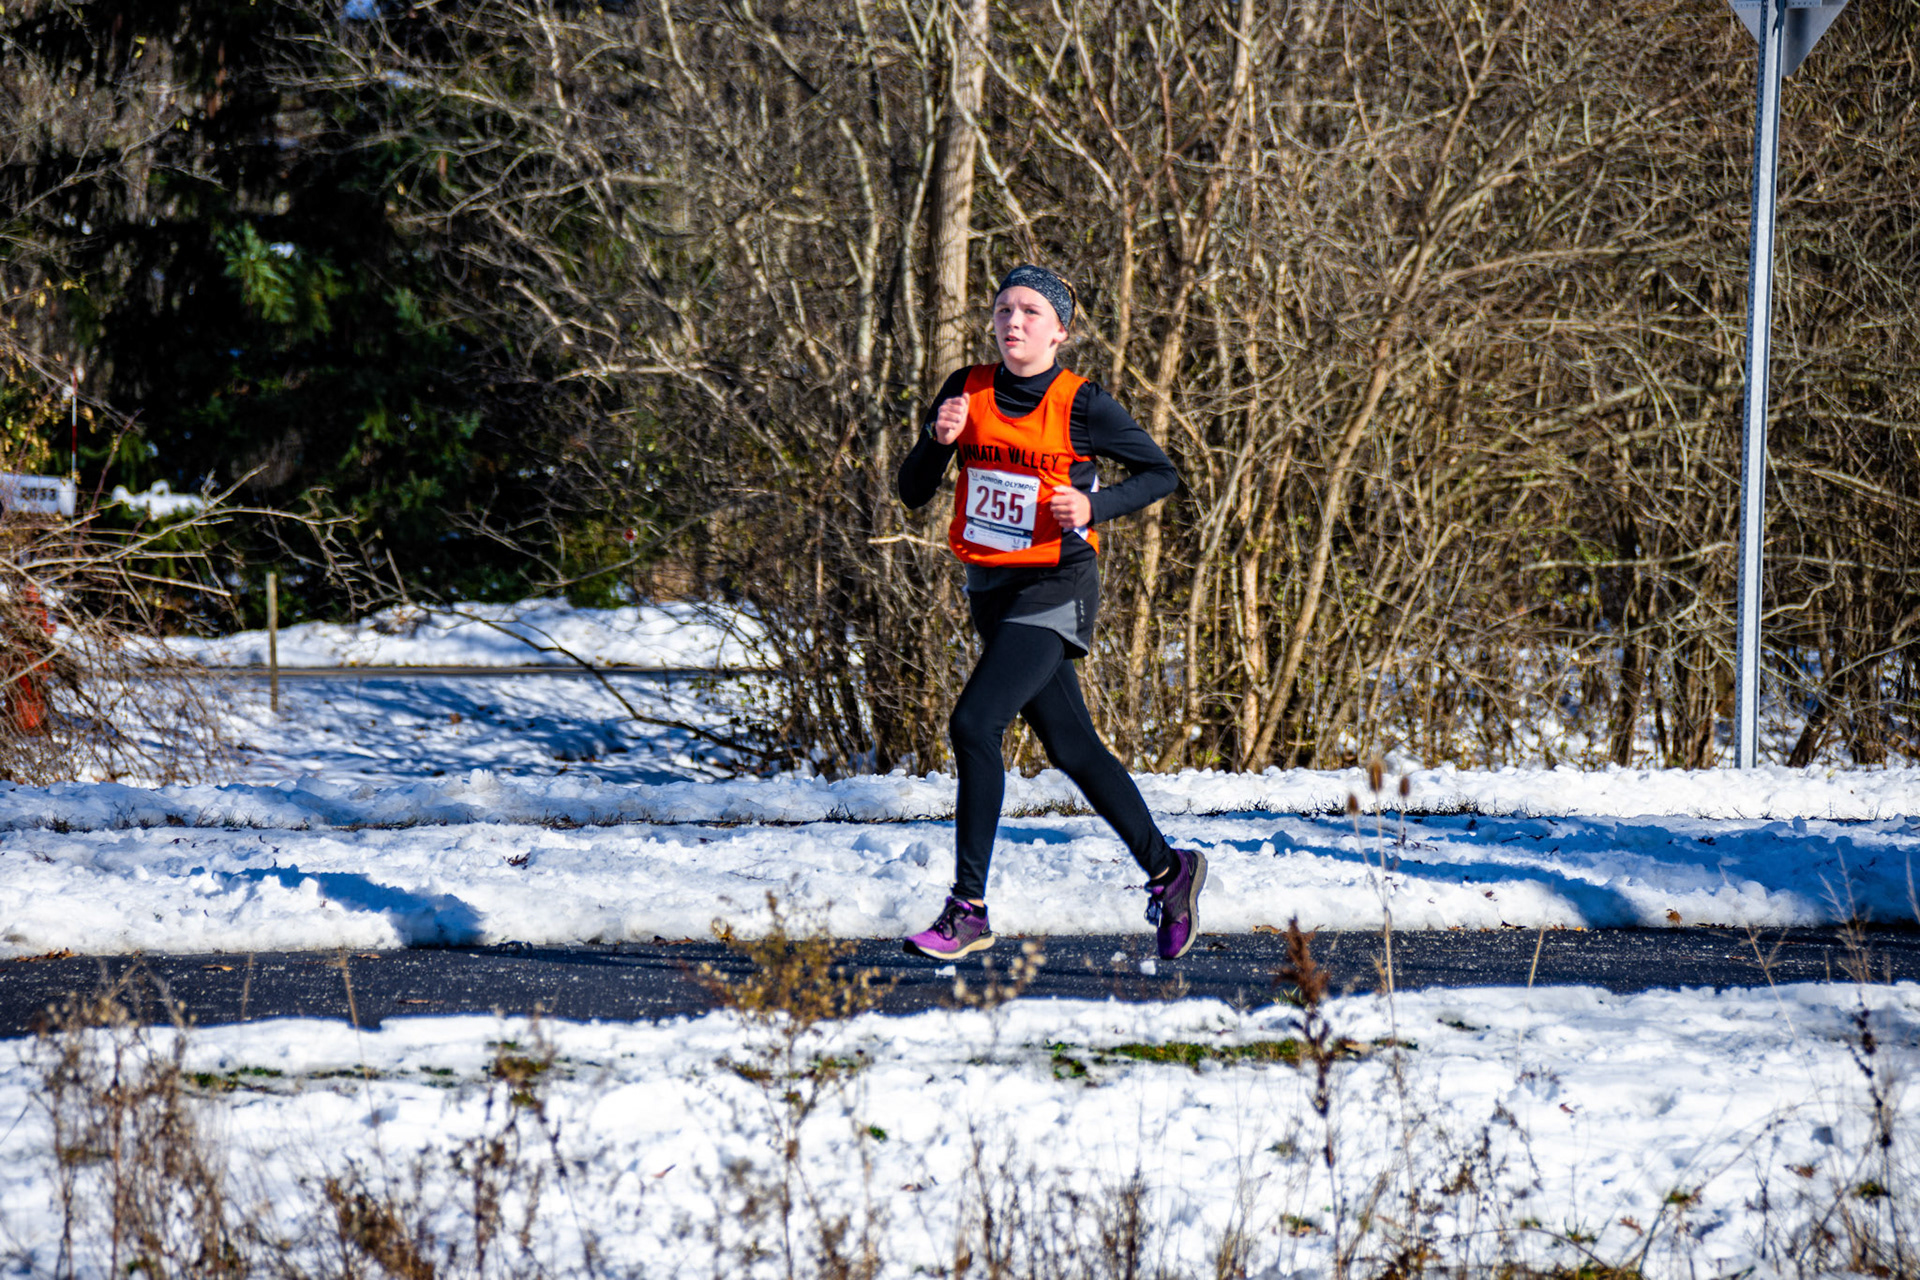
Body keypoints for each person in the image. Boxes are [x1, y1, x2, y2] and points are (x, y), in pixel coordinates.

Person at [895, 263, 1206, 963]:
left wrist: (1094, 504)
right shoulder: (965, 389)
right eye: (1004, 308)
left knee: (974, 722)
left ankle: (968, 910)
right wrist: (936, 441)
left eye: (1031, 311)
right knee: (1072, 748)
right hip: (991, 590)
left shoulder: (1083, 404)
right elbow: (912, 492)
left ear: (1059, 331)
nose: (1013, 321)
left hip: (1056, 586)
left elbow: (1161, 473)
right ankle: (1170, 872)